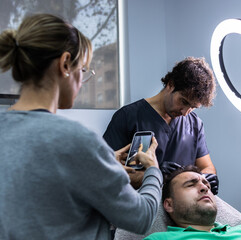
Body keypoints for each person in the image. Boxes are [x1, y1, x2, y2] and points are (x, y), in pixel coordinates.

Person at [0, 14, 162, 240]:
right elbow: (141, 218)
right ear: (65, 64)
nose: (82, 82)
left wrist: (101, 160)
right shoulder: (78, 141)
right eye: (83, 70)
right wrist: (154, 170)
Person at [103, 57, 219, 194]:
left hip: (181, 208)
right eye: (184, 101)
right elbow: (107, 172)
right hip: (143, 205)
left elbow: (207, 166)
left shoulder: (195, 124)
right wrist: (156, 174)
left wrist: (208, 177)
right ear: (170, 84)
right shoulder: (128, 117)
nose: (185, 112)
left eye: (193, 107)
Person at [144, 166, 241, 240]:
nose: (204, 188)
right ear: (169, 205)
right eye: (190, 185)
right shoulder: (159, 239)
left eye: (206, 185)